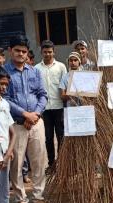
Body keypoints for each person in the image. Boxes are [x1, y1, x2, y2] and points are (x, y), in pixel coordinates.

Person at [4, 36, 48, 203]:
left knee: (39, 162)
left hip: (36, 123)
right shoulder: (4, 73)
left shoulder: (34, 72)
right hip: (17, 125)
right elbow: (4, 99)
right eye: (17, 51)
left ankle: (38, 197)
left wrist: (35, 114)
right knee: (17, 163)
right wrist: (25, 114)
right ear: (10, 51)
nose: (21, 54)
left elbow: (42, 95)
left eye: (24, 51)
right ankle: (20, 200)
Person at [35, 40, 67, 170]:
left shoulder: (61, 67)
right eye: (45, 52)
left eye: (50, 52)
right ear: (41, 52)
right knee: (48, 138)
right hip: (45, 109)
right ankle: (51, 164)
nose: (47, 54)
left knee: (61, 136)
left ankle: (62, 164)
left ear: (54, 52)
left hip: (59, 106)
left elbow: (65, 84)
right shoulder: (36, 68)